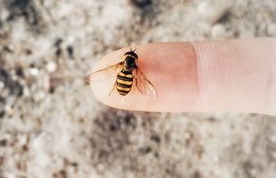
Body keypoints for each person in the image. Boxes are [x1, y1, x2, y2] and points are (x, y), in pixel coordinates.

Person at [88, 38, 276, 115]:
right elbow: (141, 80)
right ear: (133, 60)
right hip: (126, 83)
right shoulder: (137, 69)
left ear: (124, 60)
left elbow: (110, 71)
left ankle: (115, 88)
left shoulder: (120, 65)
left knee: (118, 78)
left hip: (123, 83)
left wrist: (118, 83)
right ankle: (116, 88)